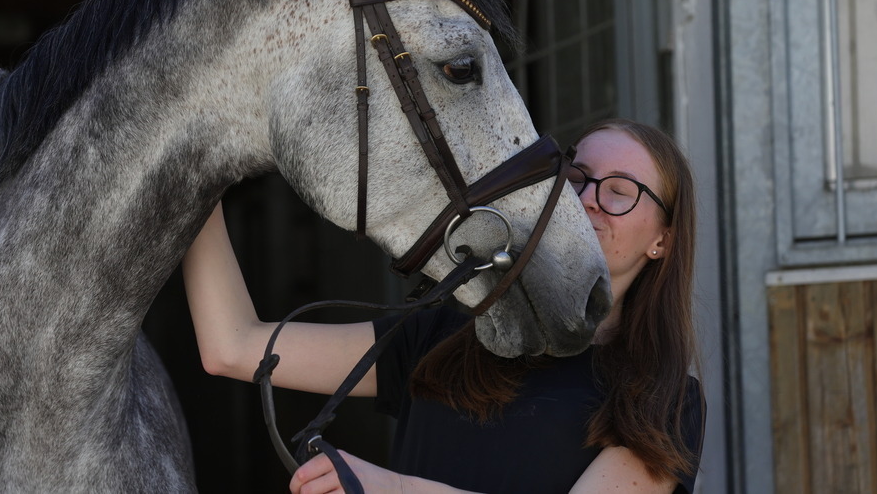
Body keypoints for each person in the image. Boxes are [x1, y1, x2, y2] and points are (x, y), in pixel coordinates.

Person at [183, 118, 705, 493]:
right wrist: (189, 179)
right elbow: (233, 347)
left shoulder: (664, 398)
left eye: (619, 191)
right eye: (576, 178)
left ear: (663, 240)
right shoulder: (450, 333)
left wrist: (392, 489)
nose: (588, 198)